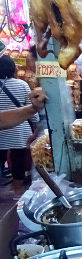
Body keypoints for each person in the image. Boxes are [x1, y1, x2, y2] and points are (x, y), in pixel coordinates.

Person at [0, 54, 46, 184]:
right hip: (19, 135)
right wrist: (36, 127)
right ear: (13, 68)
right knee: (18, 168)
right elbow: (32, 108)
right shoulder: (22, 84)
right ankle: (18, 190)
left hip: (1, 135)